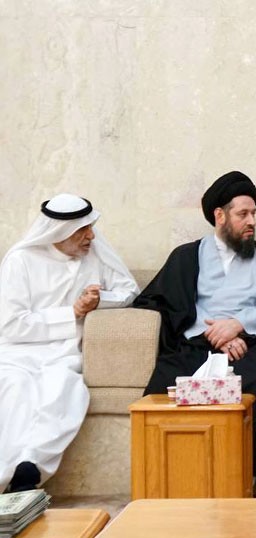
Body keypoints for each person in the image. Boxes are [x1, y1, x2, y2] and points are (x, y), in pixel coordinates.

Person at [135, 171, 256, 484]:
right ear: (220, 215)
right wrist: (216, 335)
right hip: (198, 344)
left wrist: (238, 324)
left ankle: (248, 474)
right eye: (243, 214)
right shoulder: (186, 257)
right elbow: (168, 304)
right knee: (167, 381)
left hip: (255, 344)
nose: (251, 221)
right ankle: (174, 476)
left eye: (253, 213)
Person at [0, 194, 139, 493]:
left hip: (65, 353)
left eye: (90, 227)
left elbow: (129, 291)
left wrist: (101, 300)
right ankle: (5, 476)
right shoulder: (20, 261)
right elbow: (11, 324)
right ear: (58, 232)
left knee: (64, 391)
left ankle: (29, 470)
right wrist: (72, 312)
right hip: (17, 353)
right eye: (82, 230)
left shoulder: (94, 254)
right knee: (16, 390)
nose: (91, 236)